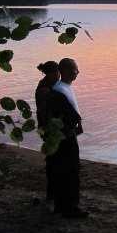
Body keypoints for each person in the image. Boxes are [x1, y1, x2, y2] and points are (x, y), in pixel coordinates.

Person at [47, 58, 87, 218]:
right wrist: (74, 126)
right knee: (70, 171)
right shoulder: (59, 91)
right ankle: (69, 207)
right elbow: (63, 116)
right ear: (65, 71)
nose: (77, 72)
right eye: (74, 70)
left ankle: (62, 205)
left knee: (66, 171)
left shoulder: (63, 87)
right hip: (65, 137)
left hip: (67, 135)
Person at [35, 61, 60, 202]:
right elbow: (44, 113)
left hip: (48, 129)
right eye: (56, 72)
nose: (58, 75)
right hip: (49, 130)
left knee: (53, 162)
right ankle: (52, 195)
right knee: (53, 163)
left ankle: (53, 194)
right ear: (50, 73)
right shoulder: (45, 90)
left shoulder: (48, 86)